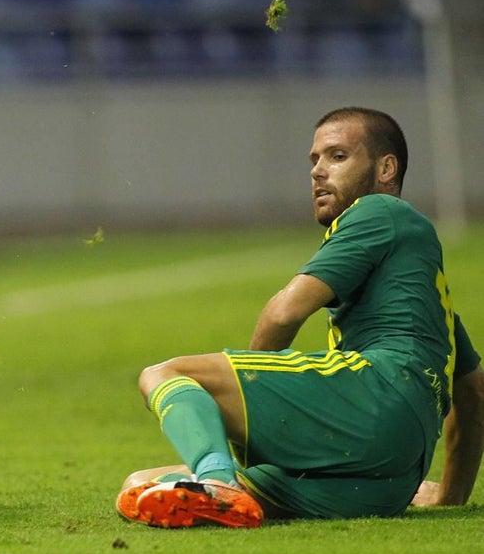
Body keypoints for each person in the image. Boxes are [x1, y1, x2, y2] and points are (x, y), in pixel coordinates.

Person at [116, 107, 484, 528]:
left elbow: (284, 312)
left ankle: (218, 481)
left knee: (164, 374)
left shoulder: (379, 210)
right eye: (314, 160)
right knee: (139, 484)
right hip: (390, 478)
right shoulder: (424, 292)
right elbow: (473, 392)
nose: (318, 172)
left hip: (374, 400)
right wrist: (449, 497)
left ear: (386, 168)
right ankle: (218, 489)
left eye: (337, 156)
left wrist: (253, 407)